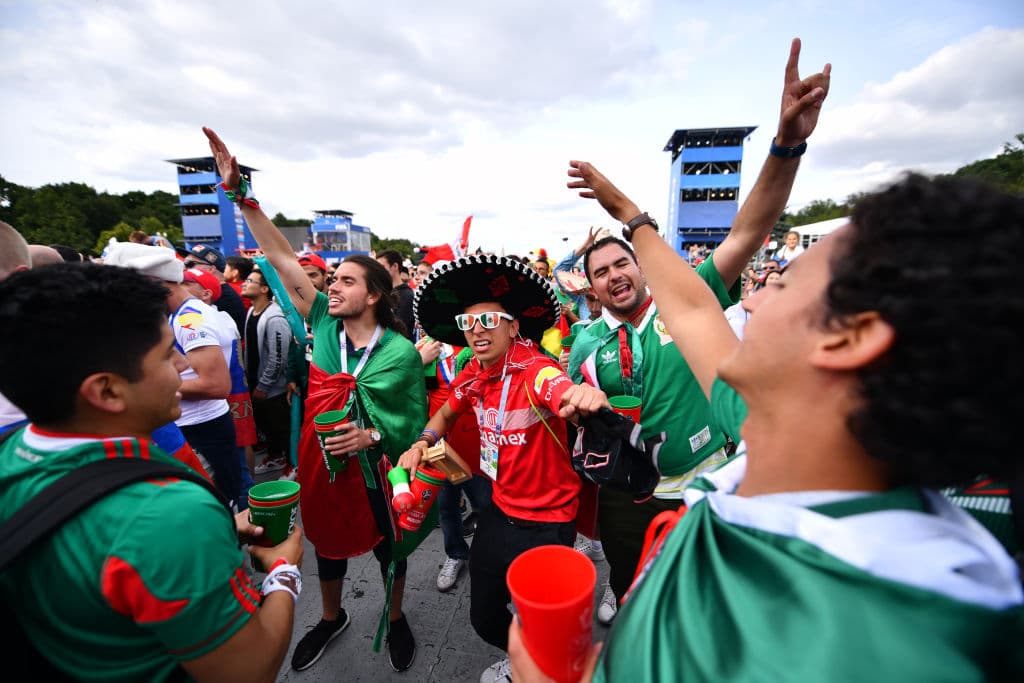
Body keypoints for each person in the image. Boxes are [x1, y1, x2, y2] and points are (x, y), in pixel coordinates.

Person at [513, 160, 1024, 681]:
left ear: (849, 338)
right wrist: (630, 214)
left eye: (784, 284)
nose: (750, 299)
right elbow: (693, 313)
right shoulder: (766, 423)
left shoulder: (887, 648)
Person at [564, 37, 831, 620]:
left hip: (707, 481)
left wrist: (787, 144)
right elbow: (575, 412)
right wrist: (581, 407)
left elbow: (748, 231)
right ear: (590, 289)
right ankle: (625, 592)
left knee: (703, 595)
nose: (614, 276)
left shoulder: (690, 297)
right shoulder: (583, 341)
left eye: (622, 263)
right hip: (629, 488)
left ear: (642, 265)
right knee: (631, 582)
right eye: (600, 272)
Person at [0, 262, 304, 682]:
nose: (181, 366)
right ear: (107, 390)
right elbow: (248, 671)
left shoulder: (12, 452)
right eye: (166, 355)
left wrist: (219, 529)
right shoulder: (170, 514)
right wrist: (284, 572)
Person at [203, 127, 427, 673]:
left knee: (388, 545)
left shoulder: (399, 352)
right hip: (323, 463)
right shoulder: (323, 321)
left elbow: (412, 423)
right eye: (334, 279)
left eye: (347, 281)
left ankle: (396, 616)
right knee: (326, 543)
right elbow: (281, 259)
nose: (334, 286)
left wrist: (372, 435)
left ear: (374, 294)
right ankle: (331, 617)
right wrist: (240, 196)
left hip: (377, 470)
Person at [398, 254, 609, 683]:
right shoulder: (473, 374)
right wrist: (423, 442)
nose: (477, 330)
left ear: (513, 327)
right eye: (468, 323)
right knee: (483, 615)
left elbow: (558, 388)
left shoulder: (535, 370)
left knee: (546, 620)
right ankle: (524, 658)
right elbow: (446, 413)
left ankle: (543, 668)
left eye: (489, 320)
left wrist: (579, 399)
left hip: (549, 522)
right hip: (498, 511)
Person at [106, 244, 242, 506]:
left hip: (201, 428)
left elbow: (216, 385)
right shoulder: (178, 315)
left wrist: (144, 389)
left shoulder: (189, 319)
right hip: (192, 424)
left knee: (212, 504)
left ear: (156, 285)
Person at [242, 269, 293, 475]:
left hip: (273, 389)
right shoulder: (251, 311)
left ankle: (289, 462)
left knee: (279, 427)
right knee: (267, 426)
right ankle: (275, 456)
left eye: (250, 280)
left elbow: (278, 357)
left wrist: (264, 385)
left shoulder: (275, 318)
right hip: (256, 382)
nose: (244, 283)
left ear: (264, 289)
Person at [180, 244, 247, 336]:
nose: (185, 268)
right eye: (184, 263)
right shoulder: (219, 292)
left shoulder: (225, 298)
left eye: (189, 264)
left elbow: (194, 332)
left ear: (211, 269)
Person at [376, 248, 415, 339]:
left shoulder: (407, 295)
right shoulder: (381, 292)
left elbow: (400, 330)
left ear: (395, 266)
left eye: (382, 267)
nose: (378, 271)